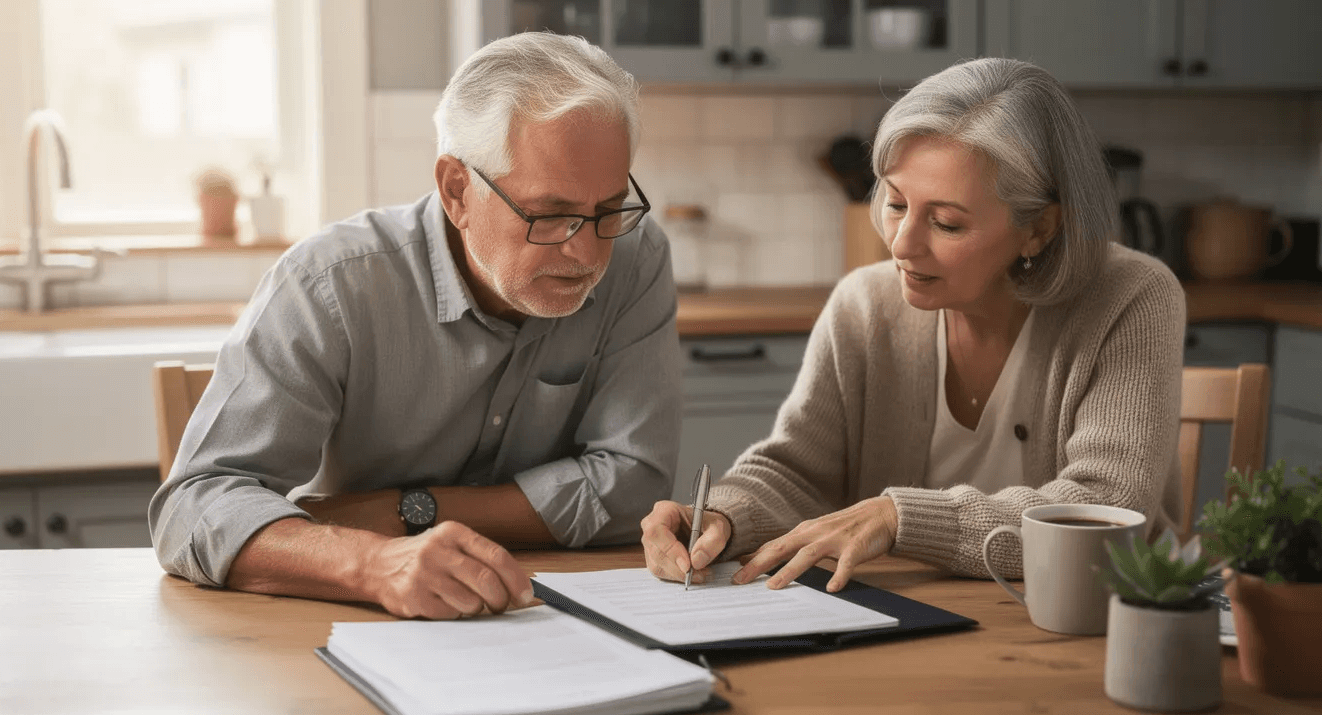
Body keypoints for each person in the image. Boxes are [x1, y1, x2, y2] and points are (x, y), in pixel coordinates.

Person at [150, 32, 682, 620]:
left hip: (549, 617)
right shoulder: (328, 284)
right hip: (347, 622)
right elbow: (192, 509)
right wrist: (373, 563)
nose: (586, 254)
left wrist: (408, 511)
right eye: (551, 215)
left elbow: (635, 483)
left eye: (608, 211)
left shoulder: (637, 258)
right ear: (458, 190)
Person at [641, 57, 1184, 593]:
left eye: (946, 223)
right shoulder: (864, 305)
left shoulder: (1131, 297)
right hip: (912, 622)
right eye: (896, 203)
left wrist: (898, 518)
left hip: (1093, 627)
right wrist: (722, 518)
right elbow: (800, 473)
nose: (900, 244)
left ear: (1039, 228)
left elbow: (1106, 507)